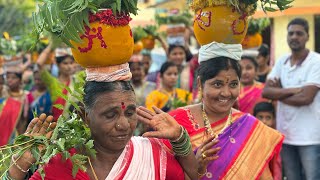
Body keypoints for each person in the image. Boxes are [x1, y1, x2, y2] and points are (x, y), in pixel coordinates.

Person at [5, 80, 198, 180]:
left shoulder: (152, 154)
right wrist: (18, 166)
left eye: (130, 112)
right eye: (110, 115)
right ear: (85, 117)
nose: (124, 124)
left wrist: (181, 140)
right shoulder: (61, 164)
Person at [170, 42, 284, 179]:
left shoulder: (250, 126)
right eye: (217, 84)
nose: (226, 93)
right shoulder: (176, 122)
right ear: (200, 84)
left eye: (233, 84)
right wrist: (195, 166)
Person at [262, 18, 320, 180]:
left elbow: (306, 98)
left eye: (299, 33)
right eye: (291, 33)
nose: (294, 37)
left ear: (308, 36)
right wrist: (292, 90)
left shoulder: (316, 62)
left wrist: (279, 93)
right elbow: (266, 92)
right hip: (286, 135)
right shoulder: (282, 61)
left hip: (311, 137)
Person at [37, 46, 76, 121]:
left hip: (73, 124)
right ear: (58, 65)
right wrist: (52, 44)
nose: (69, 66)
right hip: (55, 123)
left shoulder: (77, 80)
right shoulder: (52, 81)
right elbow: (39, 64)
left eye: (71, 63)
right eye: (65, 63)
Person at [0, 66, 29, 146]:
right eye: (8, 77)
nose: (10, 80)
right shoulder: (3, 92)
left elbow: (24, 119)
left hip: (15, 134)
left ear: (20, 80)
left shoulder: (25, 96)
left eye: (13, 78)